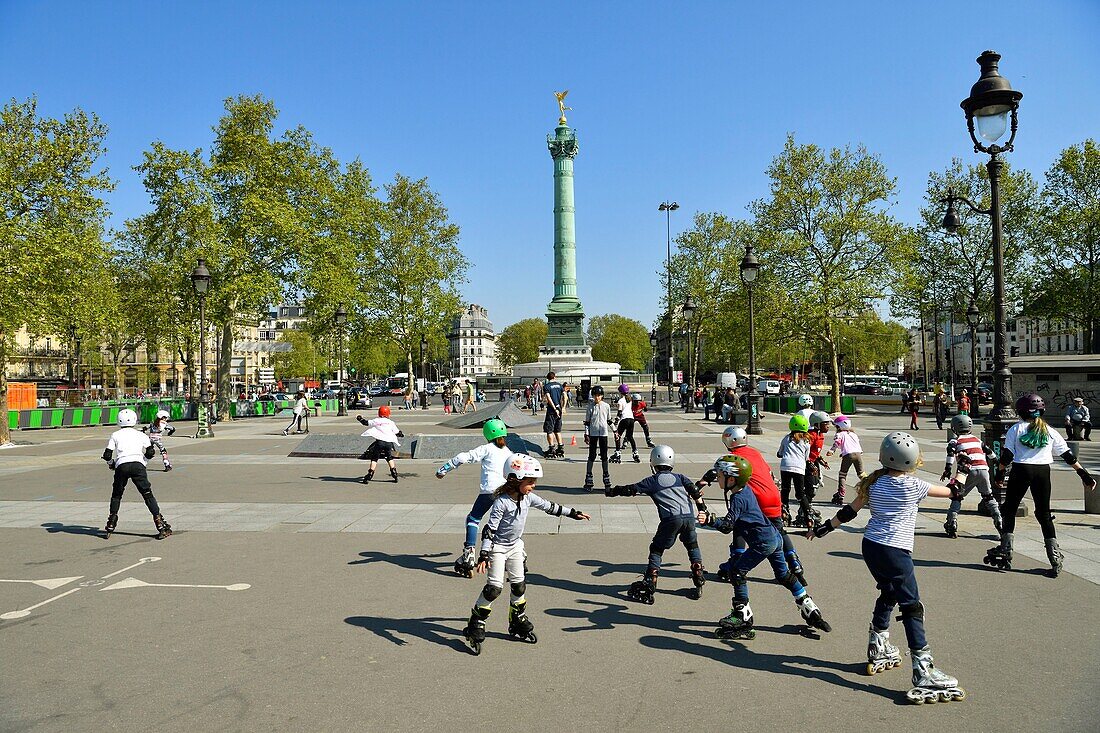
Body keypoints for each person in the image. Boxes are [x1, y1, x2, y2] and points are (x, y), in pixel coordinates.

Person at [809, 432, 966, 704]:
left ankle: (879, 645)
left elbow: (850, 511)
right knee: (912, 605)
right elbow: (954, 493)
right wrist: (963, 470)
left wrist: (824, 528)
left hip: (871, 546)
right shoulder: (914, 485)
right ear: (912, 461)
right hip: (895, 551)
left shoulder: (874, 482)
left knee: (889, 592)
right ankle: (923, 669)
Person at [461, 455, 590, 654]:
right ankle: (476, 622)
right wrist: (484, 554)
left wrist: (572, 513)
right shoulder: (501, 503)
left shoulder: (528, 497)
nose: (534, 486)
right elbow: (489, 529)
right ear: (516, 479)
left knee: (519, 586)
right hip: (497, 548)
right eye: (530, 482)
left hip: (515, 547)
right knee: (494, 590)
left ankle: (517, 618)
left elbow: (550, 506)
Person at [698, 455, 831, 640]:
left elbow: (728, 526)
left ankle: (741, 616)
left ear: (731, 479)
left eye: (720, 476)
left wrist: (710, 520)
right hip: (774, 537)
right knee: (784, 576)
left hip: (763, 542)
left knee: (736, 572)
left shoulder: (738, 498)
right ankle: (809, 607)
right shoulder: (745, 490)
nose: (718, 479)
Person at [982, 393, 1096, 577]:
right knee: (1044, 514)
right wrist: (1085, 475)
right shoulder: (1050, 430)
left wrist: (999, 474)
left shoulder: (1016, 429)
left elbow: (1007, 457)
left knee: (1009, 510)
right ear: (1041, 411)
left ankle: (1006, 549)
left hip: (1021, 470)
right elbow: (1068, 456)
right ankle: (1054, 556)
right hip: (1043, 472)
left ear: (1020, 411)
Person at [698, 426, 814, 590]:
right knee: (779, 531)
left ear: (728, 441)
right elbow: (768, 471)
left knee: (739, 524)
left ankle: (735, 562)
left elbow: (718, 472)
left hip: (758, 499)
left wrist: (702, 483)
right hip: (774, 497)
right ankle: (795, 565)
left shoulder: (733, 458)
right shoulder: (755, 452)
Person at [606, 445, 707, 603]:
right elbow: (695, 492)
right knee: (692, 545)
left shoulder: (652, 481)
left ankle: (651, 579)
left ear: (653, 462)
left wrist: (614, 491)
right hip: (689, 517)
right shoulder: (681, 477)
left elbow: (631, 489)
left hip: (671, 520)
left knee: (657, 549)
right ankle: (698, 569)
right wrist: (702, 509)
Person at [436, 418, 514, 578]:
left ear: (486, 434)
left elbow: (462, 457)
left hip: (489, 492)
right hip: (506, 492)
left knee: (473, 519)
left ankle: (469, 553)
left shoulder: (486, 448)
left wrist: (444, 469)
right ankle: (507, 555)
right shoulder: (509, 452)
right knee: (501, 524)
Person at [101, 408, 172, 540]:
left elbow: (107, 455)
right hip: (138, 465)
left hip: (121, 465)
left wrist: (112, 463)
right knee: (147, 495)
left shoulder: (115, 435)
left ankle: (111, 523)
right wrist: (143, 462)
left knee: (117, 495)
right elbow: (150, 452)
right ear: (134, 419)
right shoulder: (141, 435)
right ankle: (160, 525)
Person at [940, 414, 1002, 538]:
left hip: (968, 471)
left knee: (957, 496)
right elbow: (990, 453)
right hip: (984, 470)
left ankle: (952, 522)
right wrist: (997, 462)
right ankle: (999, 520)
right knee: (988, 497)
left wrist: (947, 469)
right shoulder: (976, 440)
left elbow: (951, 454)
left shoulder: (955, 441)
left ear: (953, 428)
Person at [778, 414, 816, 528]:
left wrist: (781, 454)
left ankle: (784, 512)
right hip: (799, 468)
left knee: (785, 489)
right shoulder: (806, 442)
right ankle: (808, 516)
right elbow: (806, 457)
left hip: (785, 466)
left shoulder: (786, 438)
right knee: (800, 493)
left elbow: (780, 452)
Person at [356, 406, 403, 483]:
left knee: (375, 458)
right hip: (388, 443)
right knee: (389, 457)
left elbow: (365, 423)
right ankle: (394, 473)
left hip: (379, 443)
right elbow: (397, 432)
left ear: (379, 413)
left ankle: (370, 474)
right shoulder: (391, 422)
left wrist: (360, 418)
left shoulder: (376, 420)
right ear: (388, 414)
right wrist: (401, 434)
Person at [826, 414, 864, 506]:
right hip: (858, 454)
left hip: (848, 455)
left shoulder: (840, 434)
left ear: (839, 426)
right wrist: (843, 452)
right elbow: (854, 446)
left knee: (842, 475)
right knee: (861, 474)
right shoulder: (853, 434)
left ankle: (841, 494)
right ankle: (870, 490)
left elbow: (837, 443)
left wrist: (832, 451)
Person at [583, 385, 613, 491]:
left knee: (604, 456)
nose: (597, 398)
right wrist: (586, 434)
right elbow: (587, 422)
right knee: (592, 455)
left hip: (603, 434)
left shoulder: (606, 406)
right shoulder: (590, 407)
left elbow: (609, 420)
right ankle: (589, 477)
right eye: (595, 395)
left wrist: (615, 431)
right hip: (593, 434)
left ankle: (606, 476)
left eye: (599, 395)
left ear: (602, 396)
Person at [611, 383, 638, 464]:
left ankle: (618, 453)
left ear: (620, 392)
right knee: (630, 437)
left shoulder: (620, 401)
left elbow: (619, 412)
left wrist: (616, 422)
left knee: (617, 436)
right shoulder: (630, 400)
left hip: (624, 419)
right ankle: (635, 453)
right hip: (631, 419)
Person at [542, 371, 566, 458]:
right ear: (554, 377)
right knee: (557, 430)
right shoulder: (559, 385)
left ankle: (551, 448)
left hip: (552, 411)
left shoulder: (547, 386)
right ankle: (560, 447)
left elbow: (549, 398)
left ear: (547, 378)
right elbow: (565, 396)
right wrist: (563, 407)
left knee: (549, 430)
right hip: (559, 410)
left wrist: (554, 408)